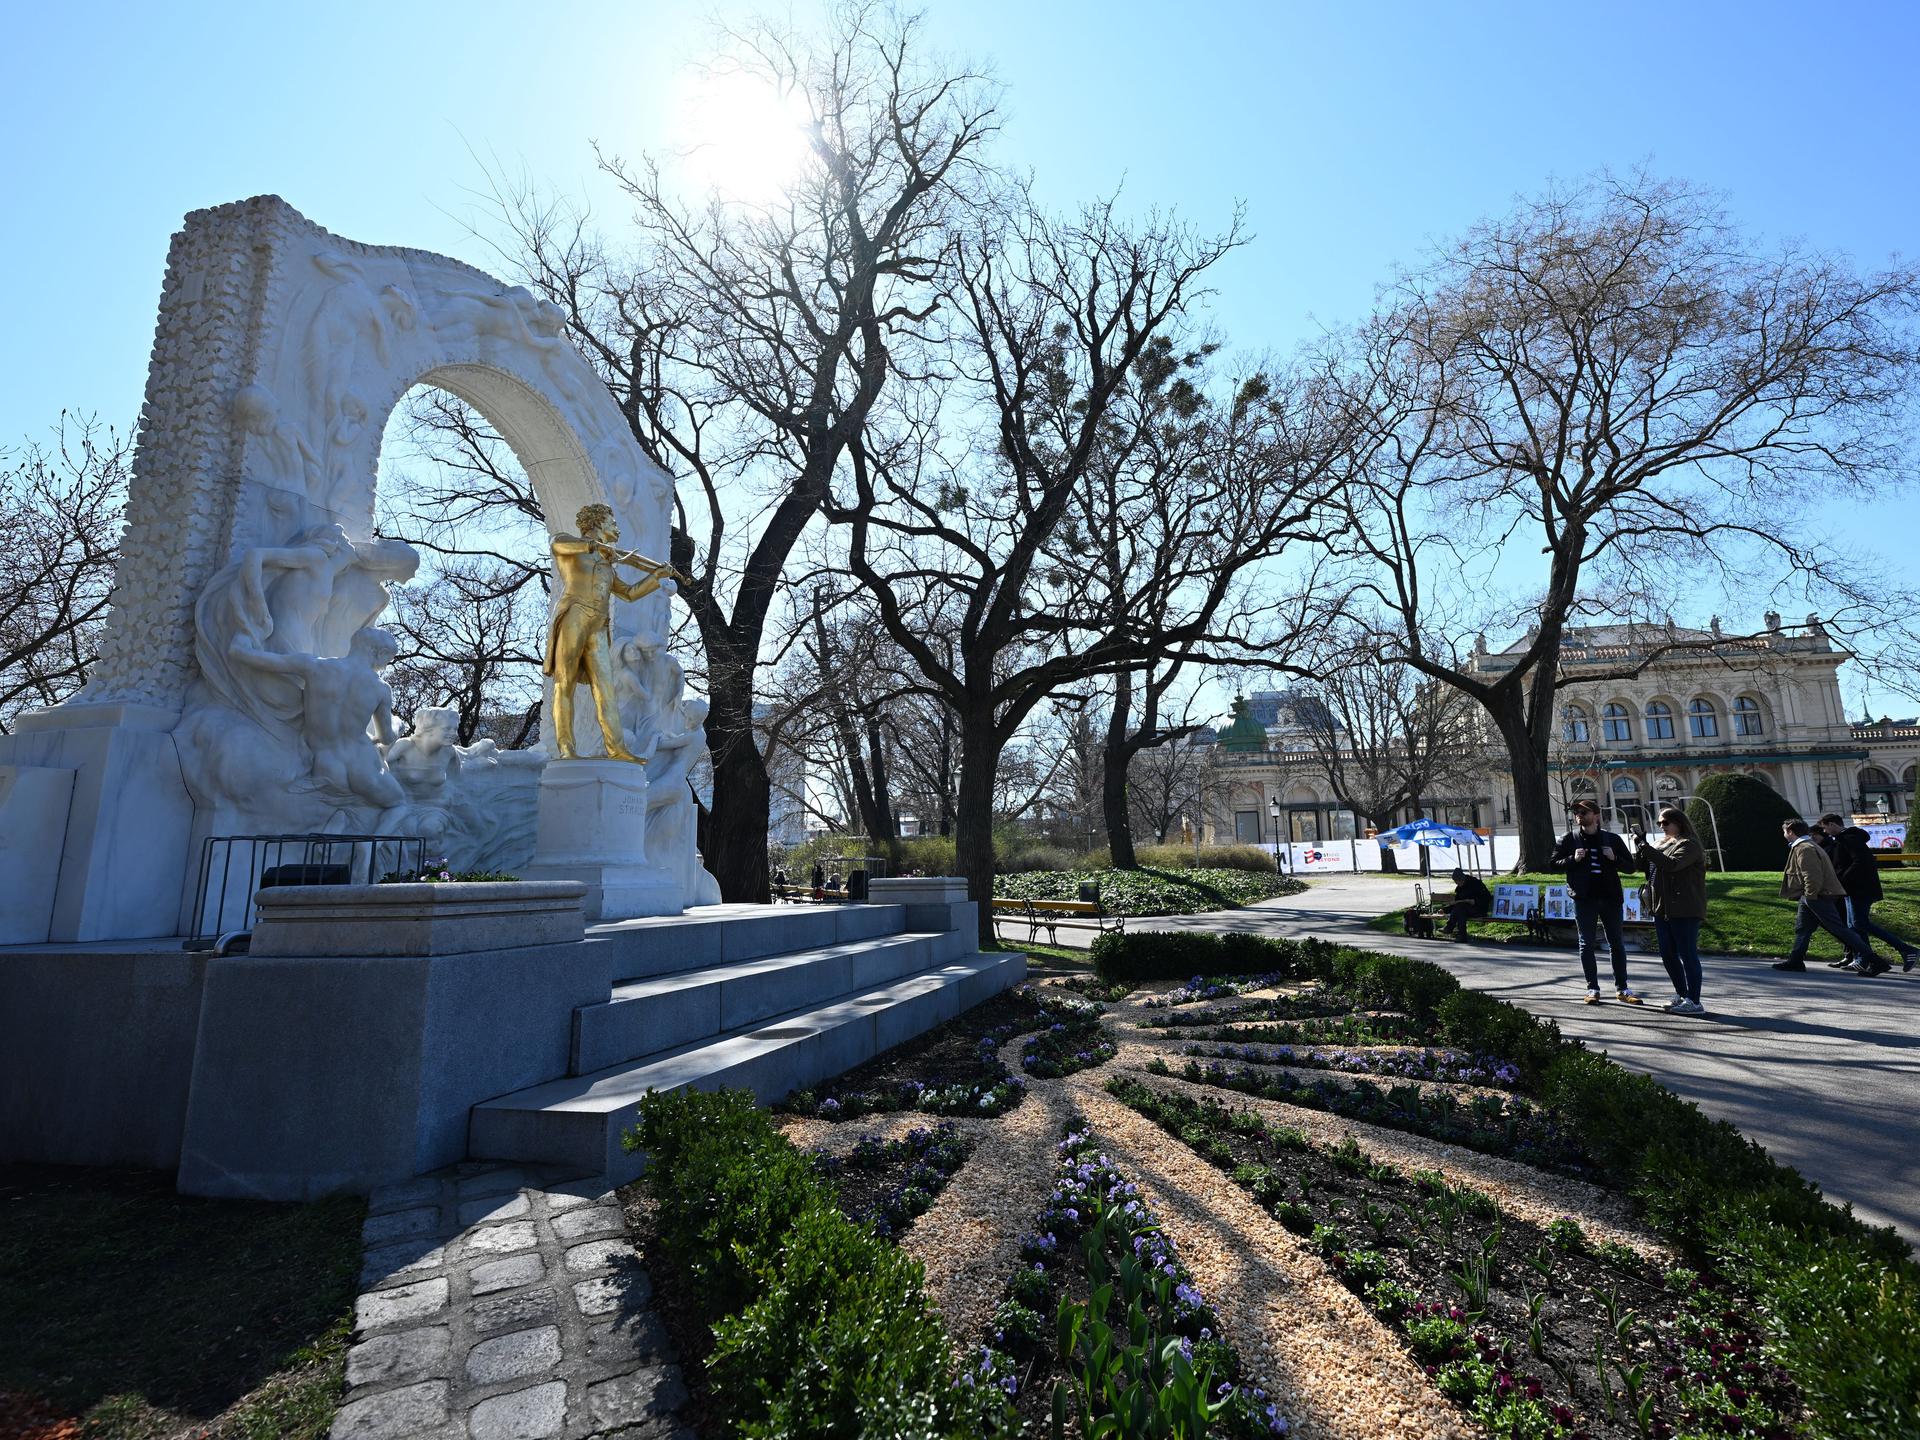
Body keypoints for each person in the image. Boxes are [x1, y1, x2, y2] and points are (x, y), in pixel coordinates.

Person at [1550, 800, 1645, 1004]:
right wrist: (1572, 860)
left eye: (1584, 812)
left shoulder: (1612, 839)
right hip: (1584, 899)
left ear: (1596, 815)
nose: (1579, 815)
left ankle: (1622, 988)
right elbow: (1552, 864)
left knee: (1616, 943)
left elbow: (1631, 867)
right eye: (1576, 812)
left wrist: (1614, 859)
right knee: (1586, 943)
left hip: (1610, 898)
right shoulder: (1568, 839)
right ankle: (1592, 988)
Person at [1774, 819, 1885, 973]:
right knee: (1803, 929)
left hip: (1817, 895)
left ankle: (1876, 960)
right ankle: (1796, 960)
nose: (1784, 834)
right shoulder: (1806, 846)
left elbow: (1812, 876)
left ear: (1791, 831)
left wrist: (1810, 895)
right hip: (1811, 895)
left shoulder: (1805, 848)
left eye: (1785, 831)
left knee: (1839, 929)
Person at [1818, 813, 1915, 974]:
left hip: (1860, 888)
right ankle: (1864, 959)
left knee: (1860, 924)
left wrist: (1842, 879)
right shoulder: (1845, 839)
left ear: (1833, 824)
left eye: (1825, 827)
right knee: (1853, 925)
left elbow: (1861, 861)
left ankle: (1905, 949)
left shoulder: (1849, 839)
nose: (1825, 832)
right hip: (1851, 889)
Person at [1633, 808, 1709, 1015]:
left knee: (1687, 954)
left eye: (1665, 823)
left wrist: (1646, 848)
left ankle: (1694, 1000)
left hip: (1684, 907)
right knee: (1667, 954)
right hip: (1662, 907)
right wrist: (1640, 844)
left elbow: (1672, 865)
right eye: (1659, 823)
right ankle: (1682, 994)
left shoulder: (1689, 845)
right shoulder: (1661, 844)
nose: (1661, 826)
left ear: (1679, 822)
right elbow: (1643, 867)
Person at [1443, 867, 1493, 939]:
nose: (1457, 883)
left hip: (1479, 909)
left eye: (1458, 881)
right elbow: (1457, 903)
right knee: (1461, 910)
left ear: (1462, 879)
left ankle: (1451, 929)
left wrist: (1475, 901)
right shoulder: (1460, 888)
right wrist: (1445, 910)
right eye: (1456, 882)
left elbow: (1487, 897)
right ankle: (1460, 935)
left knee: (1461, 908)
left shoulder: (1476, 883)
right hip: (1465, 910)